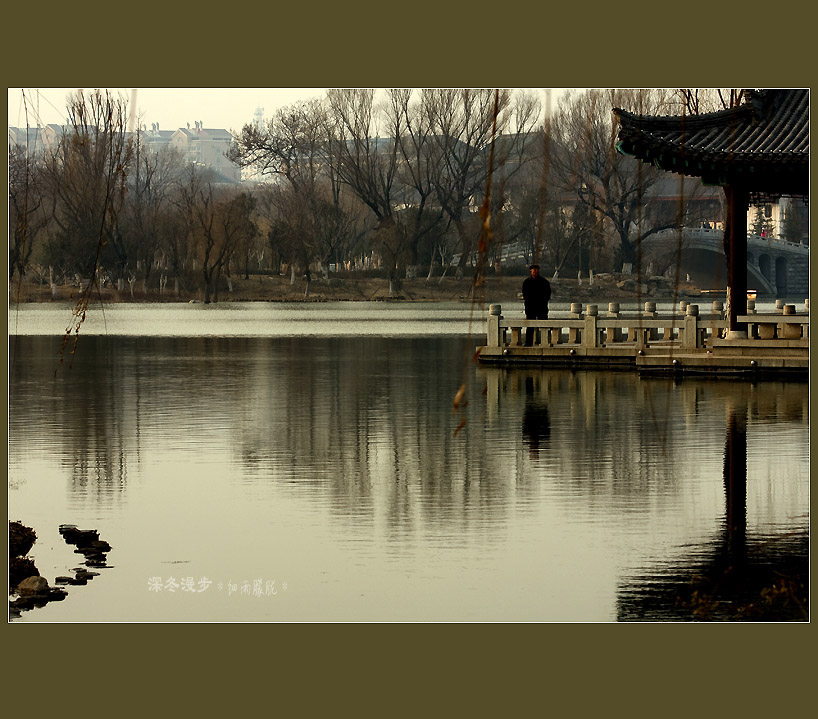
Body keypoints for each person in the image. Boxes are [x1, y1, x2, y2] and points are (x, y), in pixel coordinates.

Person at [522, 264, 551, 346]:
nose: (536, 271)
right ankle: (528, 343)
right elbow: (525, 295)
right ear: (531, 271)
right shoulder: (527, 282)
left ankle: (545, 342)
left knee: (544, 325)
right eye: (534, 270)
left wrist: (543, 301)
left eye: (537, 270)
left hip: (542, 306)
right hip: (530, 307)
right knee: (530, 326)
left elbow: (547, 294)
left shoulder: (544, 282)